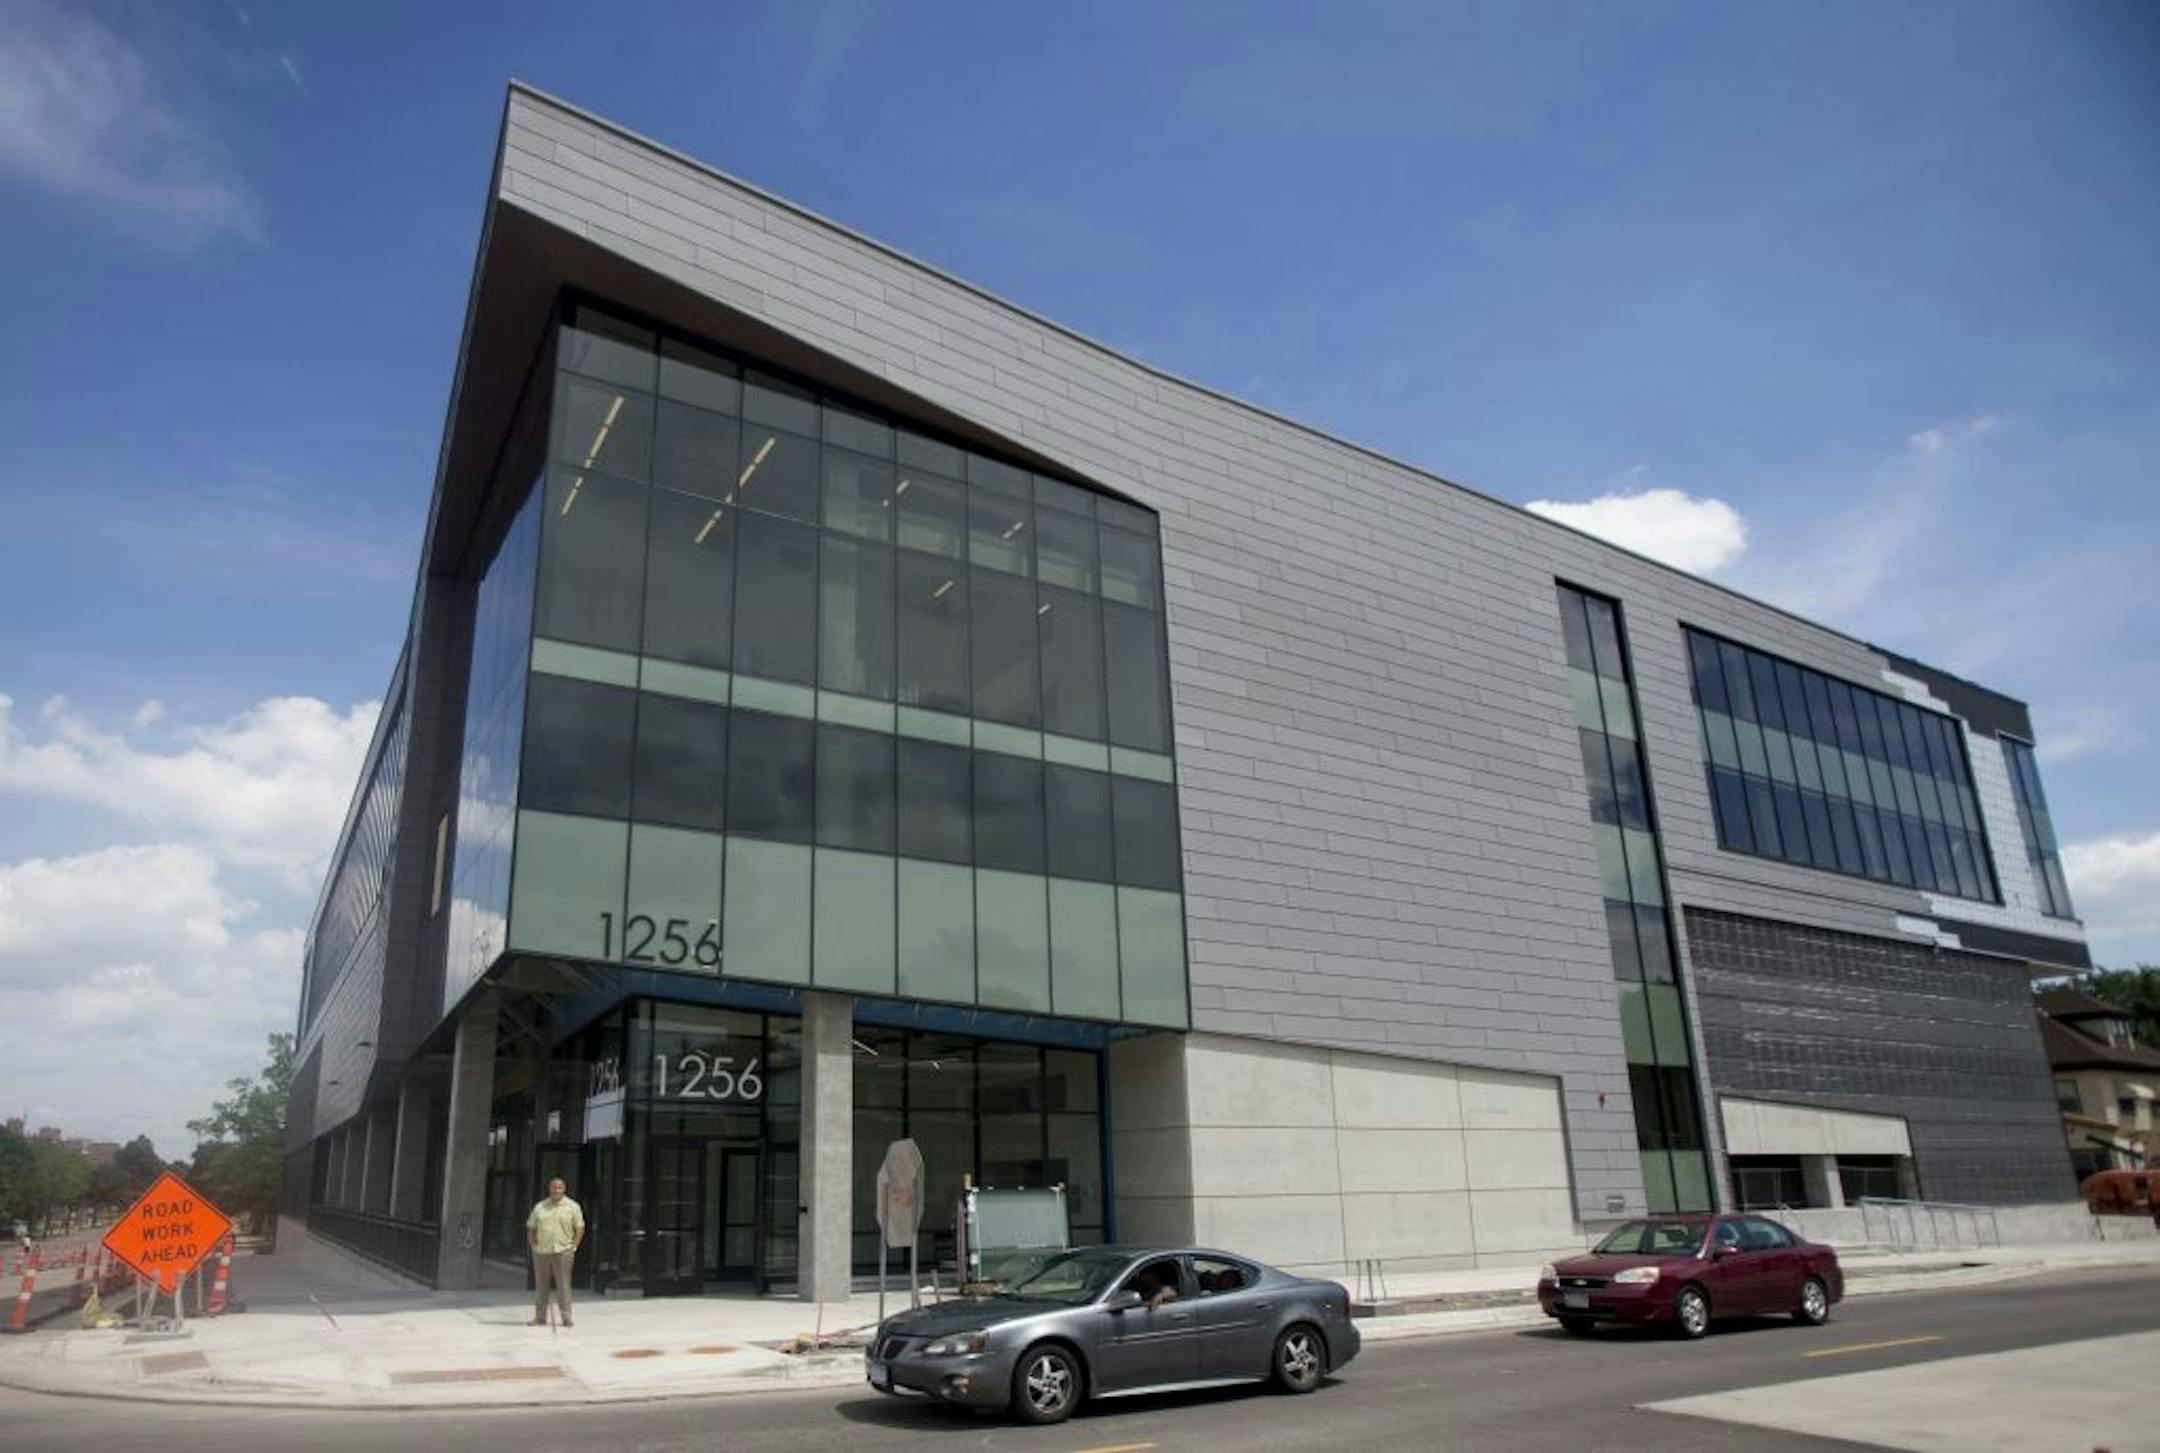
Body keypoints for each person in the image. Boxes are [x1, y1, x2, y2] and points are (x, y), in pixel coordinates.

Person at [526, 1178, 585, 1327]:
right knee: (541, 1285)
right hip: (542, 1252)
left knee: (563, 1285)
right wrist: (533, 1246)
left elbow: (579, 1228)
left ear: (564, 1189)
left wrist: (574, 1247)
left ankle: (566, 1317)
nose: (556, 1191)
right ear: (549, 1189)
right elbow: (531, 1228)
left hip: (563, 1251)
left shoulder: (573, 1207)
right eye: (554, 1188)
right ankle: (540, 1317)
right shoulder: (540, 1207)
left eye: (559, 1188)